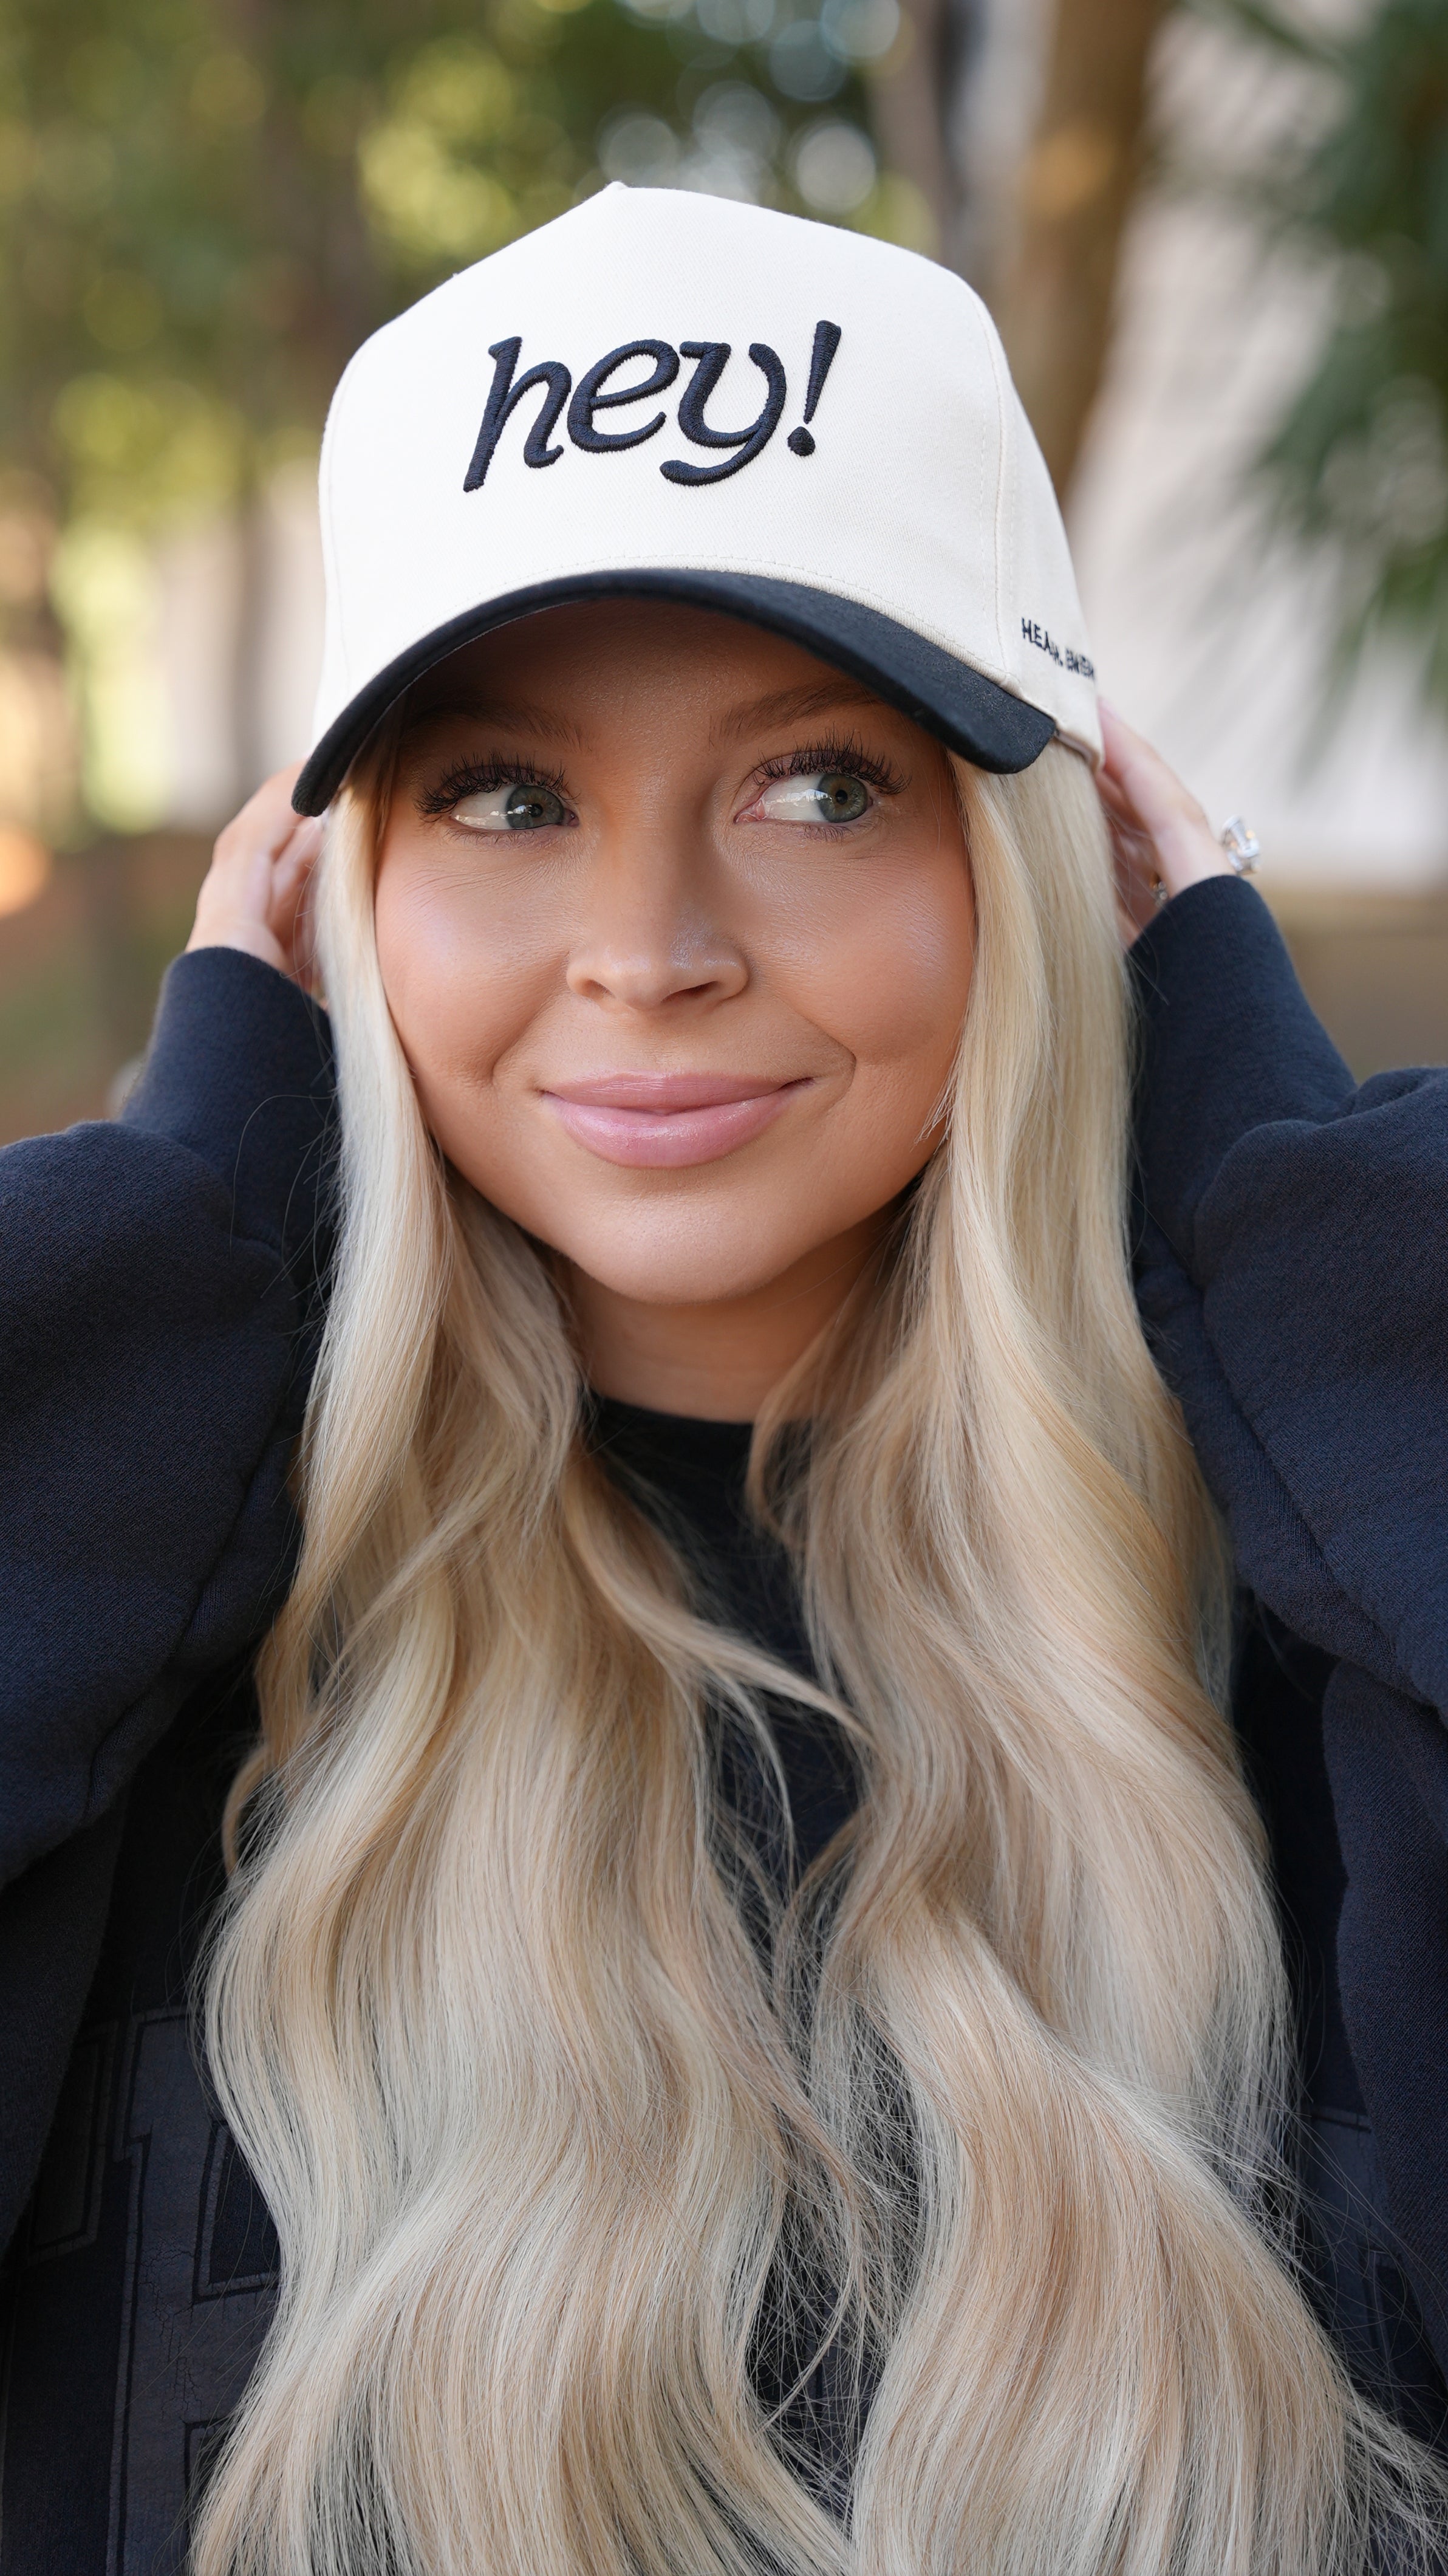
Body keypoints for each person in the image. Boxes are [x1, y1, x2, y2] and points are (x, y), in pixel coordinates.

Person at [0, 184, 1441, 2576]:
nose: (649, 952)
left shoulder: (1316, 1639)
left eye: (815, 786)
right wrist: (180, 1235)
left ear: (1048, 857)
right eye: (502, 795)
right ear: (331, 889)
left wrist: (1273, 1179)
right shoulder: (155, 1672)